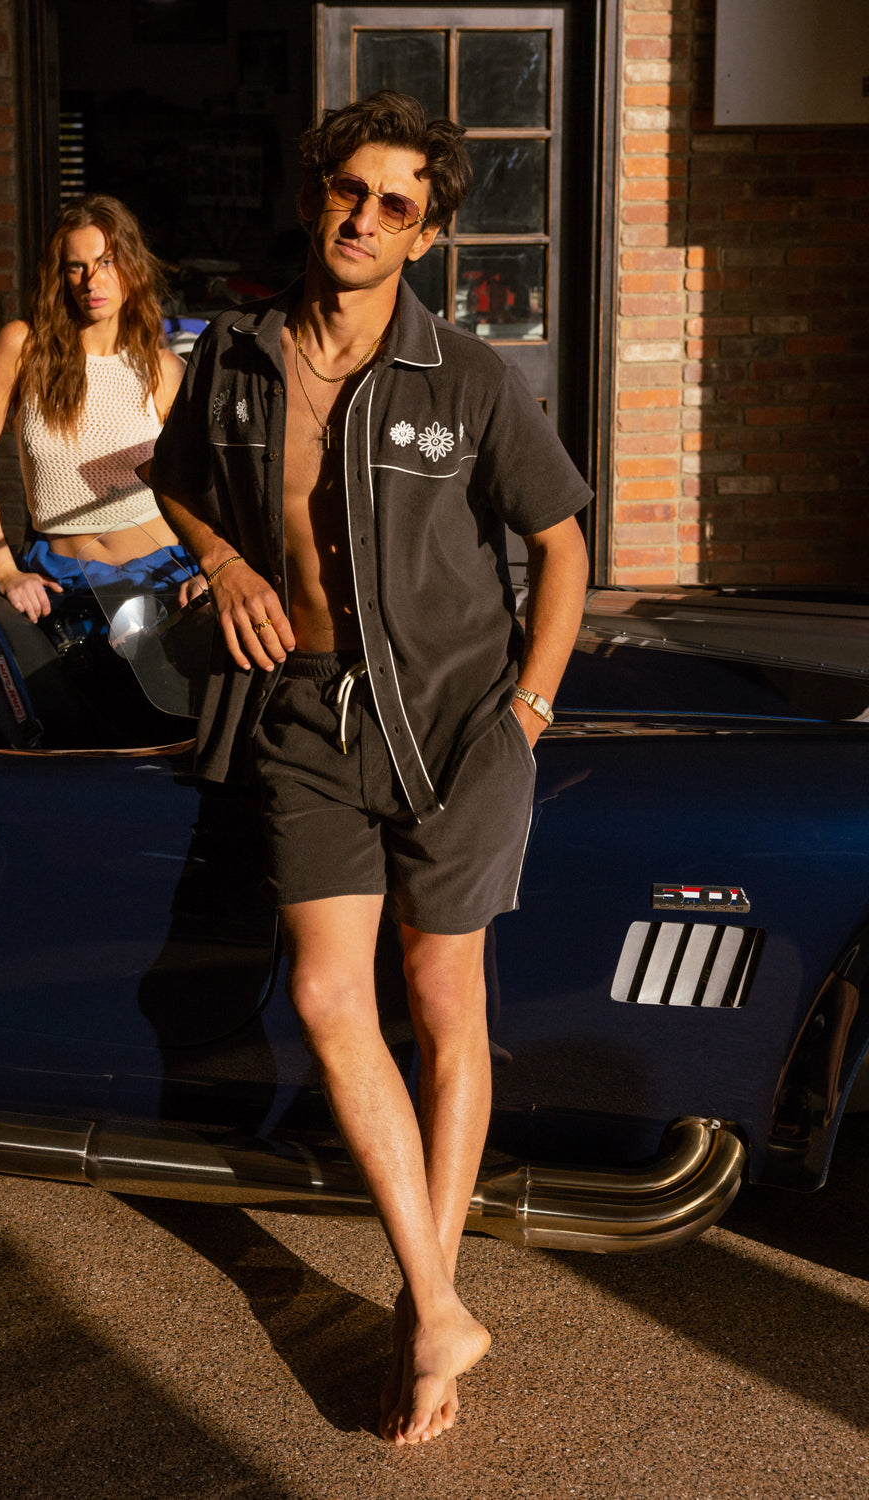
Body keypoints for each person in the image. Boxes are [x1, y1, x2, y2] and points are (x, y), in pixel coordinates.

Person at [149, 92, 591, 1447]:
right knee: (329, 993)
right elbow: (177, 480)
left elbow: (563, 545)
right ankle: (442, 1300)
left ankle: (425, 1323)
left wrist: (526, 712)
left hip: (458, 718)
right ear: (313, 198)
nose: (365, 217)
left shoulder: (468, 376)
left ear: (427, 234)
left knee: (441, 995)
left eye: (397, 204)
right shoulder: (234, 358)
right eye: (349, 190)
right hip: (304, 713)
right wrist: (221, 560)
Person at [0, 195, 186, 624]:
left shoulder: (163, 369)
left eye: (106, 262)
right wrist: (5, 571)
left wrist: (214, 568)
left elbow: (208, 486)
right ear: (60, 275)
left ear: (132, 267)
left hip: (162, 579)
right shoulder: (23, 348)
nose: (91, 281)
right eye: (75, 266)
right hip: (63, 586)